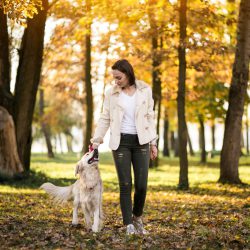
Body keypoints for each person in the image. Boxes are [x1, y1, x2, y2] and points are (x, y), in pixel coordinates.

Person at [90, 59, 158, 235]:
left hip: (141, 141)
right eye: (114, 78)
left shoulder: (145, 90)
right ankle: (128, 224)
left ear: (128, 73)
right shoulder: (111, 93)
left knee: (142, 185)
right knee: (125, 184)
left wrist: (153, 142)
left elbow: (150, 117)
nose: (116, 81)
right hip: (120, 143)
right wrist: (97, 139)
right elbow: (105, 117)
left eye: (119, 77)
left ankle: (137, 218)